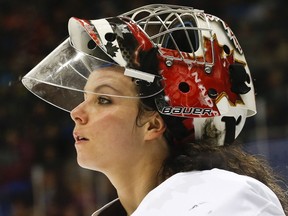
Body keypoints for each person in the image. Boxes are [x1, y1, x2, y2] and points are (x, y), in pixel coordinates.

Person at [22, 4, 287, 216]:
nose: (76, 112)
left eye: (104, 99)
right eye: (85, 97)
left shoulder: (224, 198)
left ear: (153, 124)